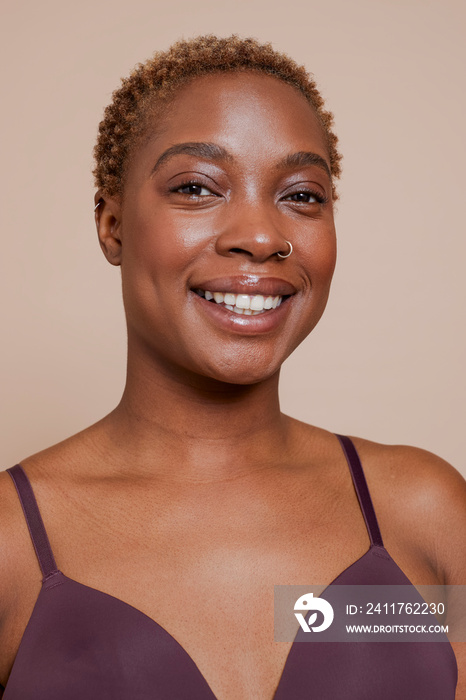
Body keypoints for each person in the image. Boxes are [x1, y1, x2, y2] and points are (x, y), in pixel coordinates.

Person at [0, 34, 464, 699]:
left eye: (302, 196)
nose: (261, 235)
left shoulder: (424, 515)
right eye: (196, 187)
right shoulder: (11, 543)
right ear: (112, 223)